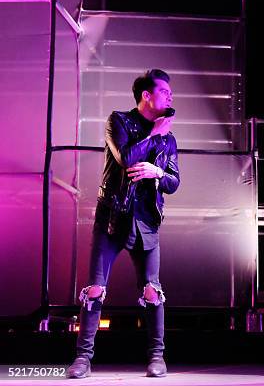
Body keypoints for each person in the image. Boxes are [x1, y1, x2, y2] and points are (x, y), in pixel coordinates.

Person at [67, 69, 179, 378]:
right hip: (113, 219)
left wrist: (158, 174)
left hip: (146, 221)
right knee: (94, 289)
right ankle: (83, 359)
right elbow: (126, 159)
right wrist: (153, 135)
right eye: (164, 91)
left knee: (153, 290)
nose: (170, 96)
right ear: (147, 95)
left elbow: (173, 181)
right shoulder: (118, 121)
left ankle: (157, 357)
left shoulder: (169, 137)